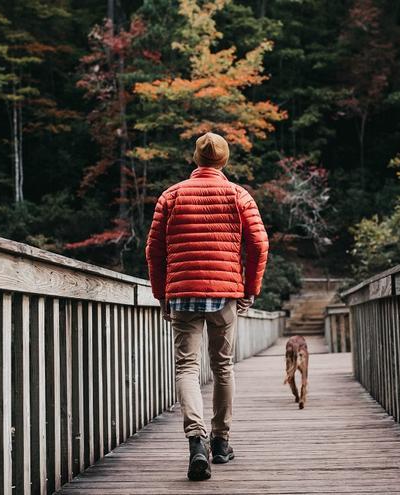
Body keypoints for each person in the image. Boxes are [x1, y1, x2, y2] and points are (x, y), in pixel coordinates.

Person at [145, 131, 269, 481]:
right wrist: (250, 288)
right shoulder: (238, 194)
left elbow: (153, 250)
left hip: (182, 294)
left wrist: (161, 295)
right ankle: (220, 442)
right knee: (223, 366)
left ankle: (195, 440)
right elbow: (259, 245)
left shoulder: (171, 195)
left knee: (187, 368)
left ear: (196, 159)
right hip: (225, 294)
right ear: (224, 161)